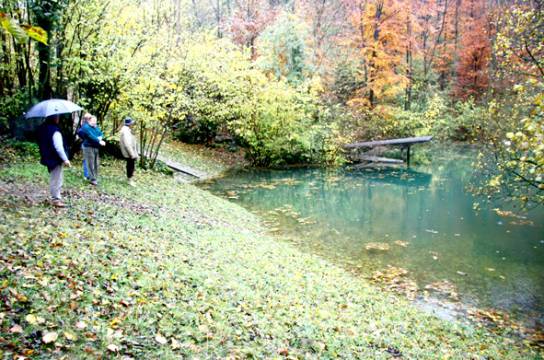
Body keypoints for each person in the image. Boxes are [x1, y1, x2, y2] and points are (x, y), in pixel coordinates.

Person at [37, 115, 71, 208]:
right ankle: (55, 199)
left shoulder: (43, 128)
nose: (58, 118)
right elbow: (58, 147)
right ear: (54, 118)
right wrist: (65, 159)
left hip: (47, 156)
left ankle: (55, 198)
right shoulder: (55, 131)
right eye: (57, 117)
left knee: (54, 177)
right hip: (54, 158)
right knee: (56, 178)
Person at [78, 115, 105, 185]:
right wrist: (98, 141)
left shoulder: (95, 127)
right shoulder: (86, 127)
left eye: (95, 121)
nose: (94, 122)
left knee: (96, 163)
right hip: (88, 147)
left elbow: (100, 133)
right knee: (90, 163)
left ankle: (95, 177)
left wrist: (100, 137)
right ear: (89, 121)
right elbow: (90, 136)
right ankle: (92, 179)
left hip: (96, 147)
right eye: (93, 121)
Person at [119, 117, 138, 186]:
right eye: (132, 123)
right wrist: (132, 154)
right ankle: (129, 180)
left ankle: (129, 179)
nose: (132, 124)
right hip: (129, 152)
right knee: (130, 166)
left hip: (129, 152)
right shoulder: (126, 131)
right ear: (129, 124)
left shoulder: (127, 130)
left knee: (130, 165)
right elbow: (127, 144)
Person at [79, 113, 92, 180]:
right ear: (87, 119)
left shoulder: (86, 126)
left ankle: (88, 174)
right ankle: (87, 175)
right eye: (90, 118)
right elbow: (80, 133)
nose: (91, 119)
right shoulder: (85, 126)